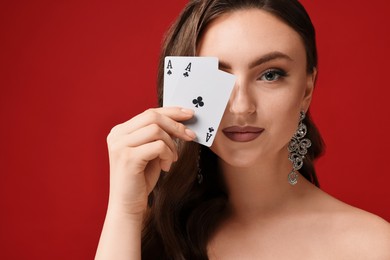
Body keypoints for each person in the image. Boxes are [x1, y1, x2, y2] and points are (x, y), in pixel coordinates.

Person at [95, 0, 390, 259]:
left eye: (270, 75)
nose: (241, 106)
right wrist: (125, 210)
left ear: (306, 89)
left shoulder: (374, 246)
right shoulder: (146, 229)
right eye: (217, 76)